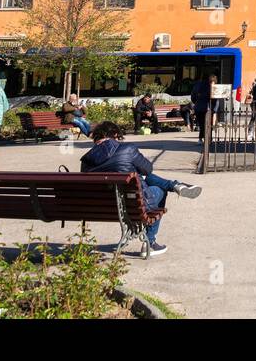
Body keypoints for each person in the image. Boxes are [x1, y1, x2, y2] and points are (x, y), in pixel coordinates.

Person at [80, 121, 201, 256]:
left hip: (101, 207)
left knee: (137, 176)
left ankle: (175, 185)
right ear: (115, 134)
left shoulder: (86, 159)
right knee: (158, 189)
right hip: (133, 204)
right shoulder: (127, 149)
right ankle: (150, 242)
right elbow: (148, 169)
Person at [191, 76, 212, 142]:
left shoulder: (196, 86)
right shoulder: (209, 86)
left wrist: (197, 102)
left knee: (201, 124)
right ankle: (208, 139)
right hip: (207, 107)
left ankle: (201, 139)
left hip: (198, 107)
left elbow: (193, 98)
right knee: (208, 124)